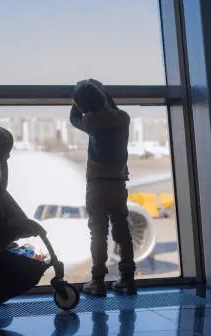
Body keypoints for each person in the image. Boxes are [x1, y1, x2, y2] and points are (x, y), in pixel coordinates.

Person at [69, 79, 137, 296]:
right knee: (122, 230)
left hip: (97, 185)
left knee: (98, 233)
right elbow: (112, 107)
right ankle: (127, 279)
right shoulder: (123, 118)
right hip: (118, 183)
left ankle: (97, 281)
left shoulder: (91, 122)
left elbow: (73, 117)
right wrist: (101, 91)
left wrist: (77, 96)